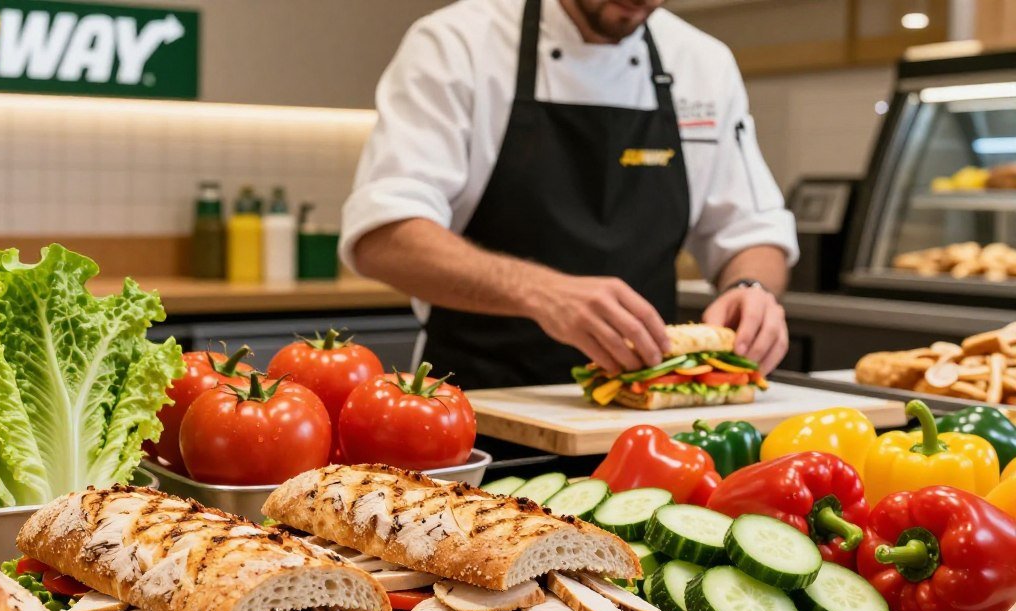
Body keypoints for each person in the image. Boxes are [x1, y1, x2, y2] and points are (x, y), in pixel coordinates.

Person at [341, 0, 796, 390]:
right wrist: (540, 292)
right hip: (478, 407)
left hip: (642, 416)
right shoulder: (457, 44)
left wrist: (750, 289)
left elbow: (750, 228)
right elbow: (384, 237)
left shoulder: (702, 63)